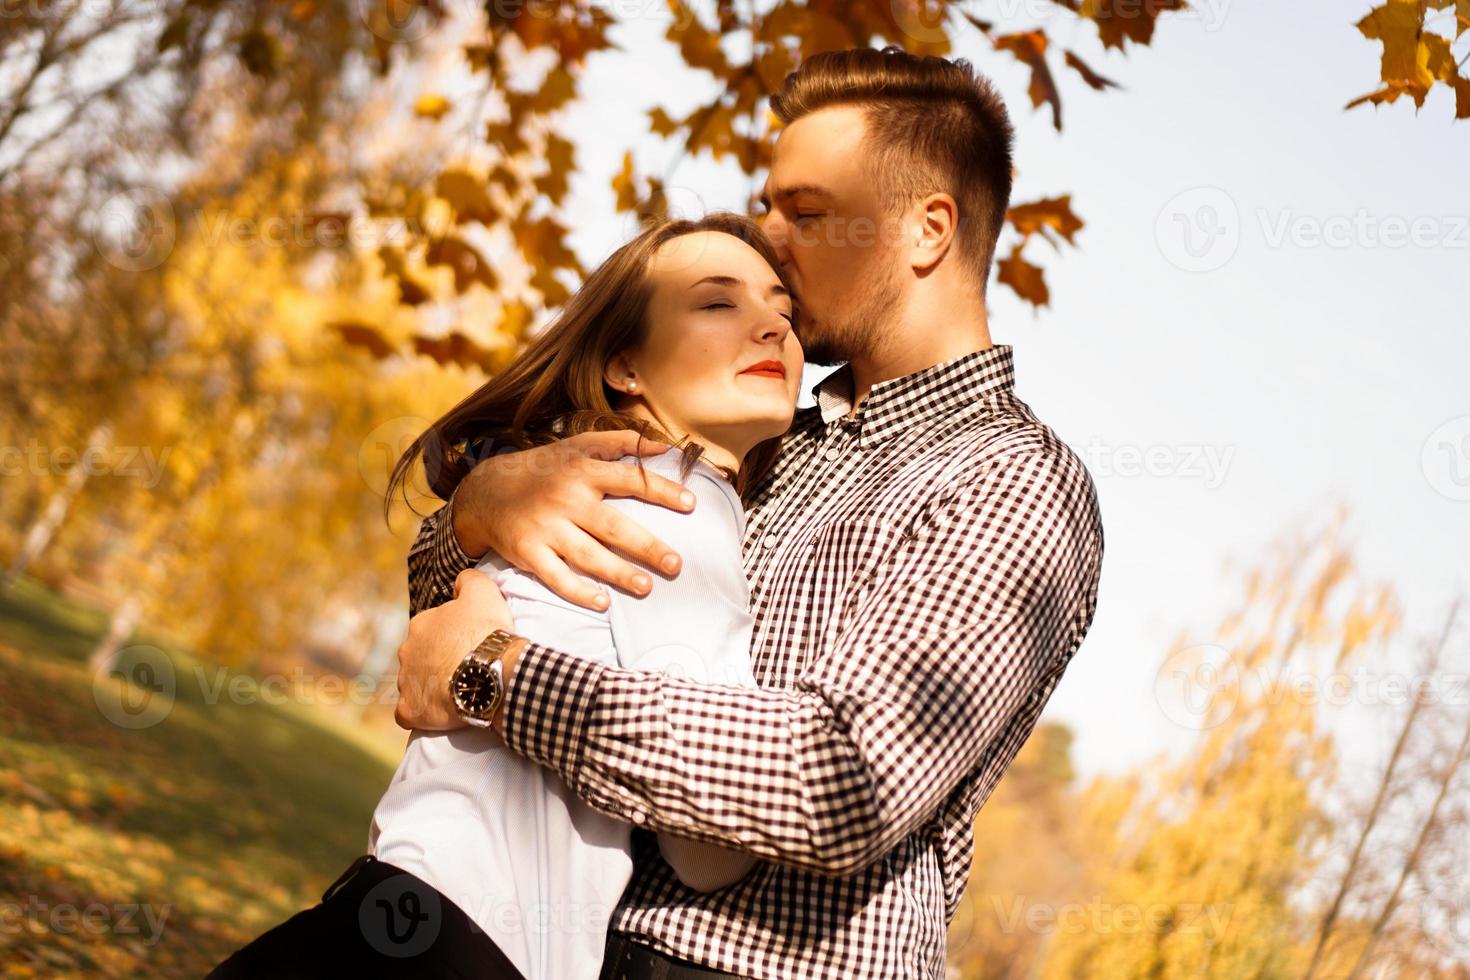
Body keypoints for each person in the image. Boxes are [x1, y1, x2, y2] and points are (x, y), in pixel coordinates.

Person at [395, 47, 1106, 980]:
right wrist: (478, 512)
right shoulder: (748, 437)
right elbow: (460, 602)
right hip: (557, 943)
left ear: (927, 230)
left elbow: (841, 780)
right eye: (770, 207)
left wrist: (498, 682)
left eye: (805, 212)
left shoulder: (1010, 480)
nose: (770, 237)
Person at [207, 212, 805, 979]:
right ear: (626, 365)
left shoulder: (560, 482)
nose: (770, 329)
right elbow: (709, 851)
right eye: (718, 303)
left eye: (784, 314)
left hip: (393, 910)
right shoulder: (683, 499)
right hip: (466, 949)